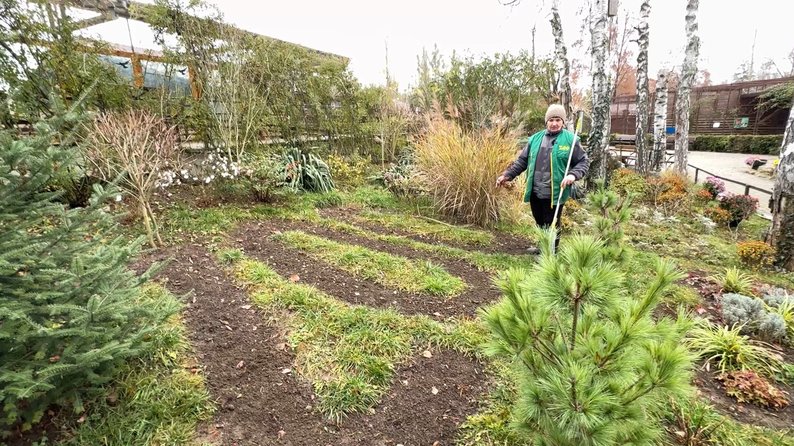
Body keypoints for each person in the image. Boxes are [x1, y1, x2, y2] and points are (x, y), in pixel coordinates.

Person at [496, 104, 589, 253]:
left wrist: (573, 175)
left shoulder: (570, 141)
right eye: (551, 119)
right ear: (546, 121)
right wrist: (507, 175)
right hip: (535, 190)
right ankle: (542, 247)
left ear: (563, 122)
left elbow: (583, 161)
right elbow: (522, 161)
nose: (554, 123)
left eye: (558, 120)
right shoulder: (535, 139)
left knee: (552, 223)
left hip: (555, 191)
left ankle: (551, 253)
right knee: (540, 221)